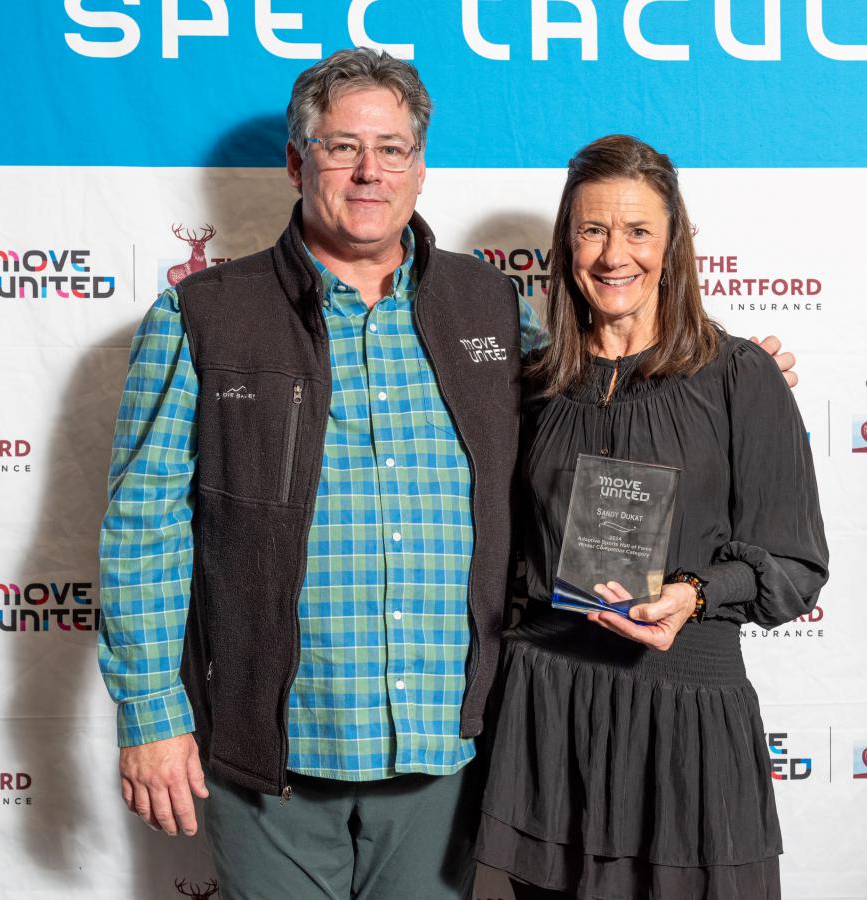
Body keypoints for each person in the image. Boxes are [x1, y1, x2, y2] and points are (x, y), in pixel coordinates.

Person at [97, 51, 798, 899]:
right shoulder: (201, 317)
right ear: (294, 161)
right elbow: (144, 530)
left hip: (450, 753)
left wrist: (725, 375)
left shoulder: (491, 308)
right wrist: (150, 716)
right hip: (272, 746)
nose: (369, 171)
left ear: (421, 169)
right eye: (341, 146)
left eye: (392, 149)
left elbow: (605, 379)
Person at [474, 135, 829, 900]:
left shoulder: (739, 374)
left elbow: (794, 566)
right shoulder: (530, 386)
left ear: (674, 246)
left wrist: (693, 593)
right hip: (548, 711)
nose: (613, 255)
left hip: (685, 721)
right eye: (593, 230)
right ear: (567, 242)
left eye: (638, 231)